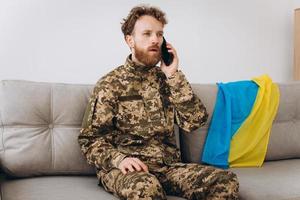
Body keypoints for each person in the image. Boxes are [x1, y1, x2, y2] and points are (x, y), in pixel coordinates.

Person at [78, 4, 239, 200]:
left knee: (225, 181)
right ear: (130, 40)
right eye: (147, 34)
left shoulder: (168, 80)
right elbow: (90, 140)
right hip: (129, 170)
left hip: (168, 167)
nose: (155, 39)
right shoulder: (110, 84)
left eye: (159, 34)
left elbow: (195, 121)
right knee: (146, 189)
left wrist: (173, 76)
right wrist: (119, 160)